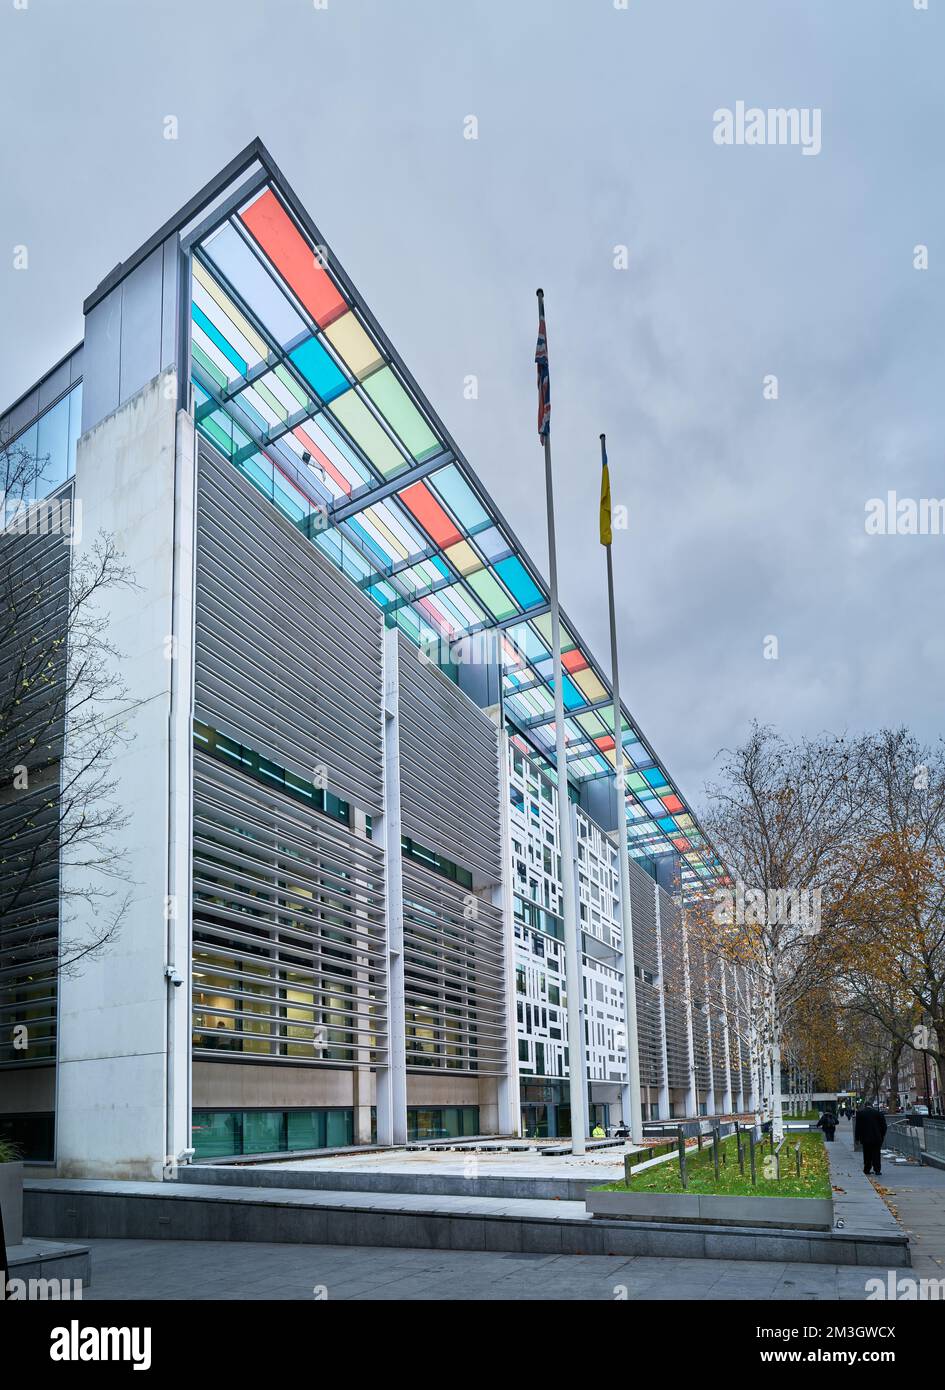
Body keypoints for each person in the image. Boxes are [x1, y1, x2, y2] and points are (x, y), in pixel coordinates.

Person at [854, 1102, 887, 1176]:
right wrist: (881, 1135)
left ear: (865, 1106)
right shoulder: (878, 1113)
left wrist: (857, 1138)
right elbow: (884, 1126)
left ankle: (867, 1169)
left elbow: (858, 1127)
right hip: (876, 1138)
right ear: (872, 1106)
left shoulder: (860, 1114)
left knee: (867, 1154)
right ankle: (877, 1170)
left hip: (865, 1138)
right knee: (876, 1154)